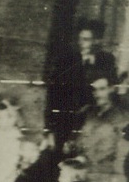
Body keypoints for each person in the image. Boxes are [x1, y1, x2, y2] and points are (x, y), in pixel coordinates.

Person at [46, 19, 119, 148]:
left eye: (86, 39)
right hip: (66, 117)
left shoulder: (107, 60)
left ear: (97, 41)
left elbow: (111, 89)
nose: (81, 43)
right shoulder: (66, 59)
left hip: (93, 118)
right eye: (79, 39)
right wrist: (49, 129)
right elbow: (53, 94)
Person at [73, 74, 129, 182]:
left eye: (102, 89)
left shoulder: (123, 117)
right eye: (95, 90)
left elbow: (119, 150)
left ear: (112, 89)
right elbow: (83, 138)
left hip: (107, 175)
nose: (97, 94)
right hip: (84, 169)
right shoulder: (90, 113)